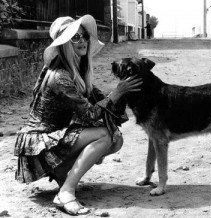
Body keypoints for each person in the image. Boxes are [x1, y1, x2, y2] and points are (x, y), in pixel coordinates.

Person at [14, 15, 142, 216]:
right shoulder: (60, 76)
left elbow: (102, 102)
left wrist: (124, 92)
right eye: (74, 37)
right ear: (64, 44)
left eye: (83, 36)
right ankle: (66, 191)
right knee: (104, 136)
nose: (82, 41)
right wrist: (117, 92)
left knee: (116, 139)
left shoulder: (77, 72)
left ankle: (62, 173)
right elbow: (91, 114)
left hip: (52, 140)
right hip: (39, 146)